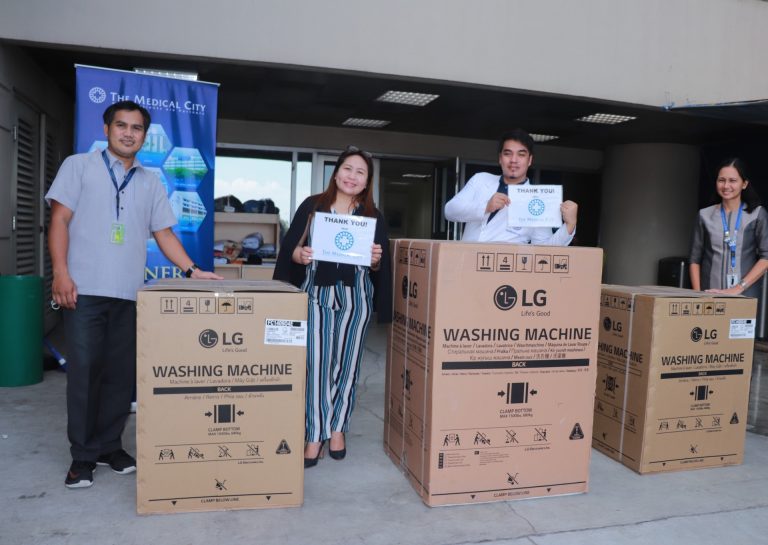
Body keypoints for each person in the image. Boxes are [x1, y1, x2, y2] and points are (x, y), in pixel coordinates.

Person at [47, 100, 221, 489]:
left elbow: (163, 232)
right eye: (121, 125)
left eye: (137, 127)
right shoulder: (79, 166)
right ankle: (82, 457)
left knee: (120, 376)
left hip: (129, 293)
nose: (128, 133)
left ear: (145, 134)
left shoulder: (150, 180)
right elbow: (58, 219)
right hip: (83, 290)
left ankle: (110, 446)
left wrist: (192, 271)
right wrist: (60, 273)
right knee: (85, 375)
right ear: (106, 128)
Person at [273, 146, 392, 468]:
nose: (352, 176)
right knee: (317, 367)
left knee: (348, 366)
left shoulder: (372, 216)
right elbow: (291, 250)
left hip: (357, 297)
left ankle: (337, 428)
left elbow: (379, 266)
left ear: (367, 181)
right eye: (348, 169)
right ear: (336, 172)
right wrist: (301, 255)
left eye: (360, 172)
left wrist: (377, 261)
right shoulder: (313, 207)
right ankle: (315, 434)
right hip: (317, 294)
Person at [445, 129, 578, 244]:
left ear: (530, 160)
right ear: (500, 158)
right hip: (466, 264)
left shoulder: (537, 199)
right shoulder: (480, 179)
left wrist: (569, 225)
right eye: (508, 153)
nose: (514, 160)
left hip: (505, 270)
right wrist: (485, 207)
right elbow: (450, 211)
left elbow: (544, 248)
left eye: (521, 154)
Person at [690, 157, 768, 296]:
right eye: (721, 180)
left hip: (745, 294)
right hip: (709, 294)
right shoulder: (704, 215)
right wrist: (697, 295)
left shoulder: (757, 214)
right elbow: (694, 259)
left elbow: (766, 258)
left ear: (744, 184)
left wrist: (737, 288)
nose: (726, 186)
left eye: (732, 180)